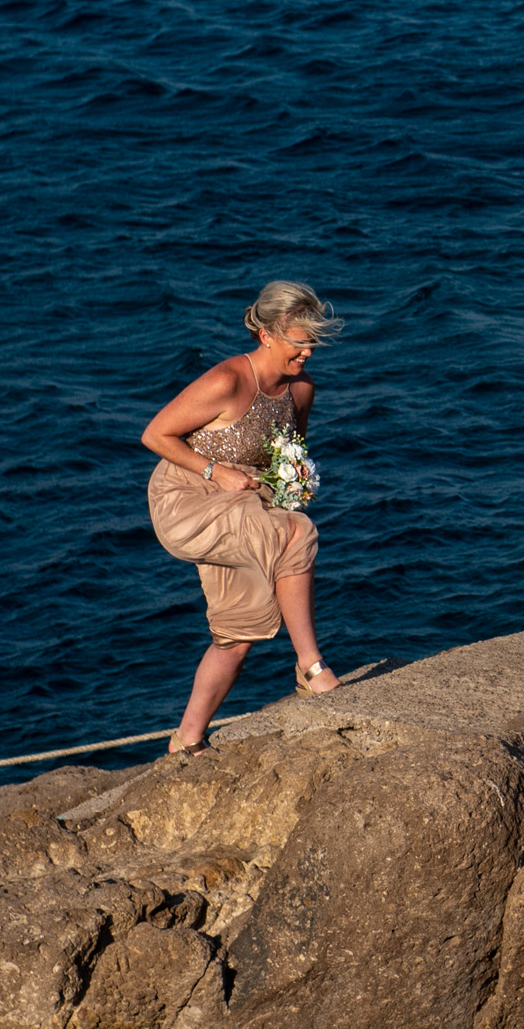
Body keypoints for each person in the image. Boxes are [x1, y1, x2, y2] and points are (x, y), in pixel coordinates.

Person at [143, 281, 343, 755]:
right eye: (300, 342)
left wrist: (293, 483)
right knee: (295, 532)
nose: (308, 352)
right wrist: (217, 471)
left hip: (246, 505)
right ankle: (311, 668)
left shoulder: (301, 391)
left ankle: (186, 740)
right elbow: (154, 435)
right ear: (267, 335)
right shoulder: (228, 380)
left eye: (313, 342)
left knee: (238, 634)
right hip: (188, 498)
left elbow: (289, 455)